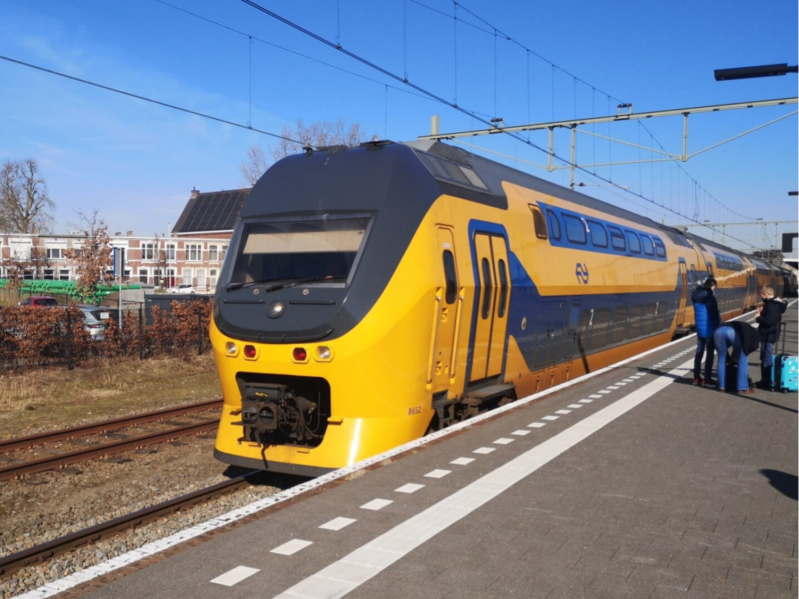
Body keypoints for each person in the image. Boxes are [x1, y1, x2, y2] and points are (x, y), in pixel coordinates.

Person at [755, 285, 788, 389]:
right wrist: (762, 312)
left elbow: (770, 321)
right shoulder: (773, 304)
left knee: (766, 358)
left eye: (761, 295)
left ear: (765, 294)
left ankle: (767, 382)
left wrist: (759, 317)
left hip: (769, 335)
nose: (761, 298)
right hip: (768, 334)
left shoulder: (772, 305)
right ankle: (765, 380)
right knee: (765, 357)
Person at [713, 320, 759, 393]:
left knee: (721, 359)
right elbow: (750, 346)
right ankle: (742, 387)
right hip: (732, 332)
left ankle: (721, 386)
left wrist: (728, 357)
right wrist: (743, 353)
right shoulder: (753, 334)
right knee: (742, 359)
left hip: (718, 331)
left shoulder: (745, 326)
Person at [692, 277, 721, 385]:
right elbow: (714, 314)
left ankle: (696, 377)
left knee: (699, 352)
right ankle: (707, 378)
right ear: (713, 286)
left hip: (700, 329)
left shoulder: (695, 295)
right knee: (709, 354)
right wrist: (719, 325)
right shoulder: (710, 297)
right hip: (709, 329)